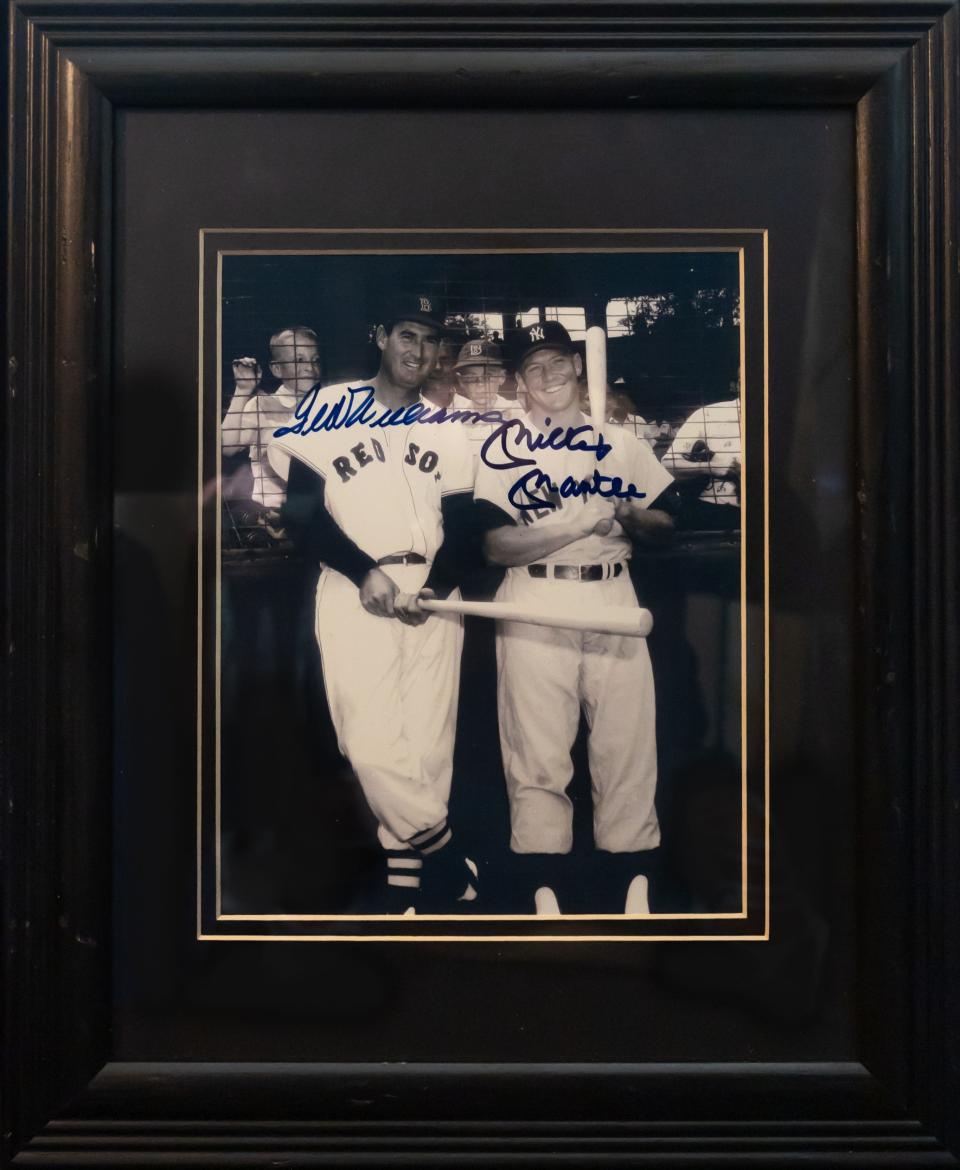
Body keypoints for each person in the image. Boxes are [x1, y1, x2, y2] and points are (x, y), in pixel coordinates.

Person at [269, 292, 479, 913]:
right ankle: (446, 856)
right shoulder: (328, 407)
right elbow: (302, 514)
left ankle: (410, 891)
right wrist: (365, 570)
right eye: (408, 336)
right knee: (367, 739)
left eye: (430, 340)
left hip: (437, 596)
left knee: (427, 746)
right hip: (355, 589)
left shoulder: (448, 428)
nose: (419, 351)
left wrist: (438, 587)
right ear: (382, 336)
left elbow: (463, 526)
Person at [473, 322, 679, 916]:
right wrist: (569, 525)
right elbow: (493, 546)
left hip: (613, 593)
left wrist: (624, 512)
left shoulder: (621, 443)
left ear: (576, 368)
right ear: (520, 385)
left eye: (558, 361)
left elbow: (668, 526)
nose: (549, 374)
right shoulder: (503, 449)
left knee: (626, 743)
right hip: (535, 600)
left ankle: (633, 880)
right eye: (535, 367)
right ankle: (543, 885)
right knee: (537, 749)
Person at [221, 326, 322, 510]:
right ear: (277, 369)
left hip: (315, 515)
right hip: (272, 514)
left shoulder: (327, 407)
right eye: (299, 360)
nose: (310, 367)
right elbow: (227, 447)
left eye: (315, 360)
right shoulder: (263, 405)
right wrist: (243, 391)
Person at [662, 389, 742, 511]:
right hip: (717, 510)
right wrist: (712, 467)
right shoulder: (708, 414)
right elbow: (667, 465)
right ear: (738, 384)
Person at [422, 336, 459, 409]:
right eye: (430, 360)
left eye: (444, 360)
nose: (437, 367)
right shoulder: (402, 408)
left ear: (454, 363)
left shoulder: (470, 408)